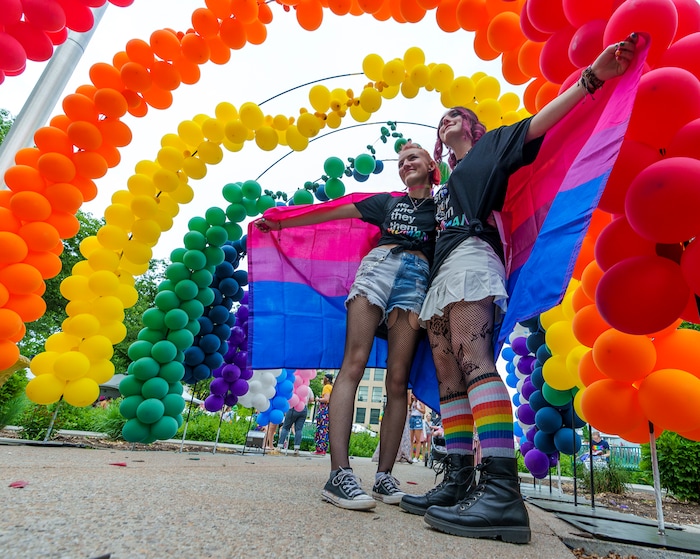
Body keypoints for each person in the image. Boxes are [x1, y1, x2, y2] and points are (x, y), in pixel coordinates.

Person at [399, 35, 640, 544]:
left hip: (472, 258)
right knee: (449, 382)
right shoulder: (443, 186)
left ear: (473, 126)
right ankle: (459, 482)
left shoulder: (494, 145)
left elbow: (544, 121)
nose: (446, 120)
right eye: (441, 119)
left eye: (455, 115)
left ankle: (502, 495)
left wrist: (594, 77)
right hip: (441, 275)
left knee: (473, 359)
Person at [254, 142, 440, 511]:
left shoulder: (443, 208)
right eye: (400, 162)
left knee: (398, 379)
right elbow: (331, 212)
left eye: (412, 158)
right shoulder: (386, 203)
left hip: (416, 279)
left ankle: (385, 476)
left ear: (431, 164)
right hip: (378, 268)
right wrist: (281, 221)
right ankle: (339, 474)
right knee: (352, 363)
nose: (405, 165)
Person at [273, 391, 312, 456]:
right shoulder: (308, 389)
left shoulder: (293, 386)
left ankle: (279, 446)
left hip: (293, 408)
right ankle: (296, 449)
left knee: (285, 427)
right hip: (303, 408)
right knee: (299, 429)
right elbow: (312, 399)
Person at [313, 373, 334, 456]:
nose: (323, 380)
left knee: (321, 428)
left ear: (327, 379)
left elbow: (326, 399)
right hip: (329, 410)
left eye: (324, 378)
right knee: (325, 429)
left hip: (324, 410)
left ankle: (320, 449)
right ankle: (323, 449)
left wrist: (318, 399)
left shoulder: (326, 387)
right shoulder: (332, 387)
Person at [409, 393, 426, 463]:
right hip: (412, 418)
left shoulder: (420, 401)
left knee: (418, 440)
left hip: (418, 418)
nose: (412, 395)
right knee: (411, 439)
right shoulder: (412, 402)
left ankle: (416, 457)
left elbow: (424, 411)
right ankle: (410, 456)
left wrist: (417, 408)